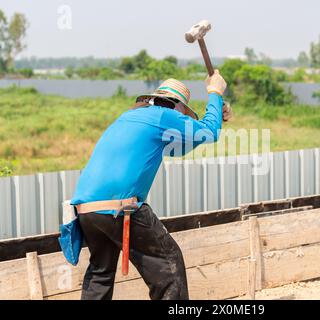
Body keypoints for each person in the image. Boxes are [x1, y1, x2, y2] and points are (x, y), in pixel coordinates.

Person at [70, 70, 230, 300]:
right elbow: (209, 133)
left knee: (100, 274)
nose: (184, 118)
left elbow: (180, 147)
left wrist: (217, 113)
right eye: (184, 114)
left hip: (87, 210)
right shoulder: (165, 116)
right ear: (177, 107)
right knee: (169, 265)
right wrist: (214, 93)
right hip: (120, 208)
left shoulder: (131, 117)